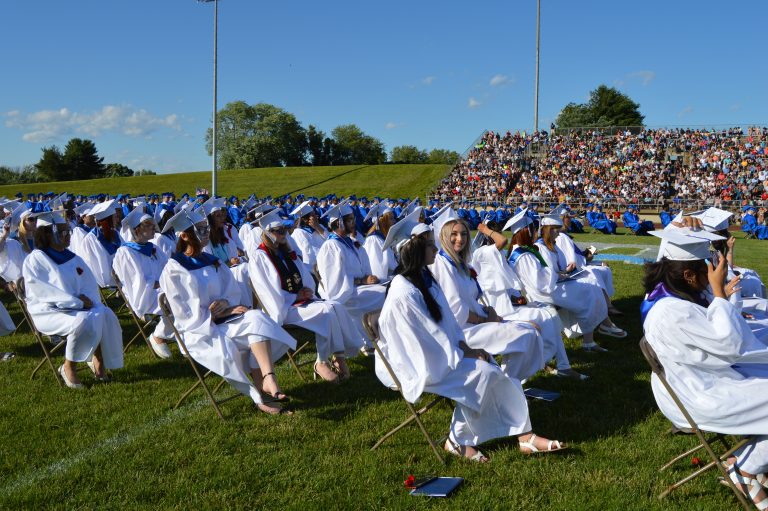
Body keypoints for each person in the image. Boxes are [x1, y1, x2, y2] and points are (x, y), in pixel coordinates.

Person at [376, 221, 565, 462]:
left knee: (492, 369)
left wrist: (466, 347)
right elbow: (423, 338)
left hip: (440, 352)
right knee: (485, 374)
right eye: (431, 245)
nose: (436, 249)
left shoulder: (424, 280)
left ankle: (525, 436)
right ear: (413, 251)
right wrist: (462, 352)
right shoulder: (404, 291)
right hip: (417, 363)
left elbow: (447, 325)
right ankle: (458, 440)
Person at [641, 229, 768, 508]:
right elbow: (730, 345)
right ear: (688, 275)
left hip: (706, 379)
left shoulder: (673, 295)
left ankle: (746, 457)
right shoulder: (672, 312)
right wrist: (720, 293)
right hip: (699, 394)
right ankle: (745, 469)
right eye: (706, 269)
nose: (710, 276)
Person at [159, 209, 295, 415]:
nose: (206, 233)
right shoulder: (174, 268)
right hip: (200, 331)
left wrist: (227, 305)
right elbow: (183, 312)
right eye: (200, 230)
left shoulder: (211, 260)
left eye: (206, 228)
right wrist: (212, 315)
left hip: (224, 321)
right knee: (252, 330)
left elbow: (231, 290)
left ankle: (268, 379)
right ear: (184, 236)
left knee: (256, 317)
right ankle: (260, 396)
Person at [248, 209, 364, 382]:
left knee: (335, 306)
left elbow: (304, 276)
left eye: (284, 230)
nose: (283, 234)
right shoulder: (260, 257)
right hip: (284, 307)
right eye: (278, 231)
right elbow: (268, 292)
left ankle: (337, 356)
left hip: (300, 301)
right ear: (267, 233)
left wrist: (307, 289)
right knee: (326, 312)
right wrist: (294, 297)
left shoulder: (286, 251)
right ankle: (322, 362)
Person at [429, 214, 544, 382]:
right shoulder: (442, 264)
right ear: (443, 236)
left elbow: (469, 300)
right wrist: (485, 320)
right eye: (453, 234)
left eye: (464, 234)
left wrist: (487, 310)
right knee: (528, 334)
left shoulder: (459, 264)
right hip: (461, 331)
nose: (459, 239)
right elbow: (456, 309)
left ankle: (507, 381)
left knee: (533, 329)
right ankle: (508, 383)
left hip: (474, 322)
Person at [471, 220, 587, 380]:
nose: (501, 236)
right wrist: (484, 229)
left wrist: (515, 297)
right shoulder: (483, 253)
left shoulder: (495, 256)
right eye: (496, 232)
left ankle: (559, 365)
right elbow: (502, 242)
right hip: (500, 311)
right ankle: (539, 366)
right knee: (549, 314)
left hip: (511, 303)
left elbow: (505, 285)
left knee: (550, 314)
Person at [21, 211, 123, 388]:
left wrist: (88, 301)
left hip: (79, 307)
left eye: (68, 230)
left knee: (104, 313)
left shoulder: (73, 257)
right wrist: (78, 302)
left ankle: (98, 360)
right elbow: (44, 292)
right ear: (47, 234)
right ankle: (69, 367)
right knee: (83, 320)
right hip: (49, 311)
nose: (68, 235)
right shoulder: (36, 259)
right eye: (63, 232)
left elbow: (88, 284)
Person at [505, 210, 613, 352]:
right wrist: (557, 275)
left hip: (548, 286)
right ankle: (592, 338)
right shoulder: (522, 255)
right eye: (532, 230)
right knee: (589, 289)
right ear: (525, 232)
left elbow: (541, 276)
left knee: (590, 287)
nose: (535, 233)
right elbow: (539, 282)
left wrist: (558, 275)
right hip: (542, 292)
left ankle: (591, 337)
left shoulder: (524, 250)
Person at [316, 201, 386, 354]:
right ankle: (373, 338)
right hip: (344, 295)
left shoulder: (350, 242)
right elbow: (335, 283)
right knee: (384, 294)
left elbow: (362, 269)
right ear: (339, 223)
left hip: (357, 288)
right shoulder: (331, 247)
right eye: (350, 220)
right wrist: (362, 281)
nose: (354, 223)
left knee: (388, 287)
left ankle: (375, 337)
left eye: (353, 219)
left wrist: (369, 277)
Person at [113, 206, 176, 359]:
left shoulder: (152, 247)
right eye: (148, 225)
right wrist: (161, 283)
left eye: (152, 224)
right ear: (136, 229)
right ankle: (158, 336)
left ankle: (178, 333)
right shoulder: (125, 252)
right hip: (143, 295)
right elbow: (135, 281)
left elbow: (168, 267)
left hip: (160, 288)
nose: (154, 227)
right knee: (176, 298)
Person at [200, 197, 253, 308]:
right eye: (218, 216)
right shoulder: (206, 241)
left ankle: (253, 304)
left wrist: (237, 259)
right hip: (219, 277)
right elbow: (210, 266)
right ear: (210, 219)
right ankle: (247, 305)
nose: (222, 218)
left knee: (248, 268)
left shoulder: (224, 234)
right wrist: (228, 263)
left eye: (222, 214)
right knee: (243, 270)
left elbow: (235, 253)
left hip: (230, 271)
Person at [79, 199, 122, 288]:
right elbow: (96, 266)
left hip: (119, 270)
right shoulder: (91, 239)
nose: (117, 219)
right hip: (109, 276)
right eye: (114, 217)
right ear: (108, 220)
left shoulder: (114, 233)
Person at [362, 203, 398, 281]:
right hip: (383, 284)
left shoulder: (382, 238)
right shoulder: (374, 240)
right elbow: (378, 271)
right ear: (382, 221)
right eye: (391, 218)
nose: (394, 221)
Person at [289, 200, 327, 268]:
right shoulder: (298, 233)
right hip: (312, 268)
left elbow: (330, 239)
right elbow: (305, 253)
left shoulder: (320, 226)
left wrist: (318, 227)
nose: (317, 216)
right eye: (313, 215)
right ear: (306, 220)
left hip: (327, 263)